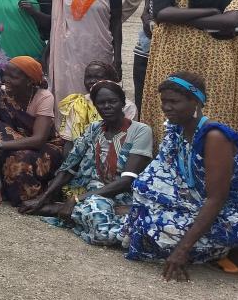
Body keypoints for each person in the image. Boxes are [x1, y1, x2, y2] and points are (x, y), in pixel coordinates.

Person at [124, 72, 238, 280]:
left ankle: (227, 249)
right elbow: (160, 176)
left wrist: (182, 250)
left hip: (228, 212)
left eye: (174, 101)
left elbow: (217, 199)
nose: (166, 107)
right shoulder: (177, 131)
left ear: (196, 102)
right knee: (140, 222)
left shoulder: (214, 137)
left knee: (155, 232)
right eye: (164, 101)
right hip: (195, 205)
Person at [21, 80, 153, 246]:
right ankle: (94, 214)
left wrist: (75, 200)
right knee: (100, 220)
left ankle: (57, 210)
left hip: (121, 194)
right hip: (93, 194)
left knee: (103, 230)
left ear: (123, 102)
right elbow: (70, 166)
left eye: (112, 101)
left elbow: (127, 181)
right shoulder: (94, 129)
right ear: (95, 106)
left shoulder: (141, 130)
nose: (107, 106)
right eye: (101, 103)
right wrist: (43, 198)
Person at [139, 0, 238, 138]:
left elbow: (230, 20)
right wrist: (211, 12)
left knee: (214, 113)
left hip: (215, 64)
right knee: (171, 112)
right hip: (173, 59)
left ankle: (212, 162)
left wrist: (182, 16)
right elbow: (162, 13)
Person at [0, 57, 65, 206]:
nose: (6, 79)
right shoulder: (0, 93)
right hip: (15, 141)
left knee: (21, 159)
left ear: (29, 81)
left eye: (13, 77)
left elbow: (38, 140)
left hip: (45, 146)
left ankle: (41, 194)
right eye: (5, 74)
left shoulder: (44, 97)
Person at [47, 0, 122, 103]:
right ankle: (68, 128)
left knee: (99, 92)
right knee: (69, 90)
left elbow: (116, 22)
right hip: (69, 49)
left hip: (99, 47)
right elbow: (56, 21)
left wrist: (118, 58)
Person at [59, 60, 138, 151]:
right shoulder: (77, 104)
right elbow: (69, 142)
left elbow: (127, 142)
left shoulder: (126, 106)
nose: (92, 81)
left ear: (111, 80)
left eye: (98, 77)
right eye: (88, 77)